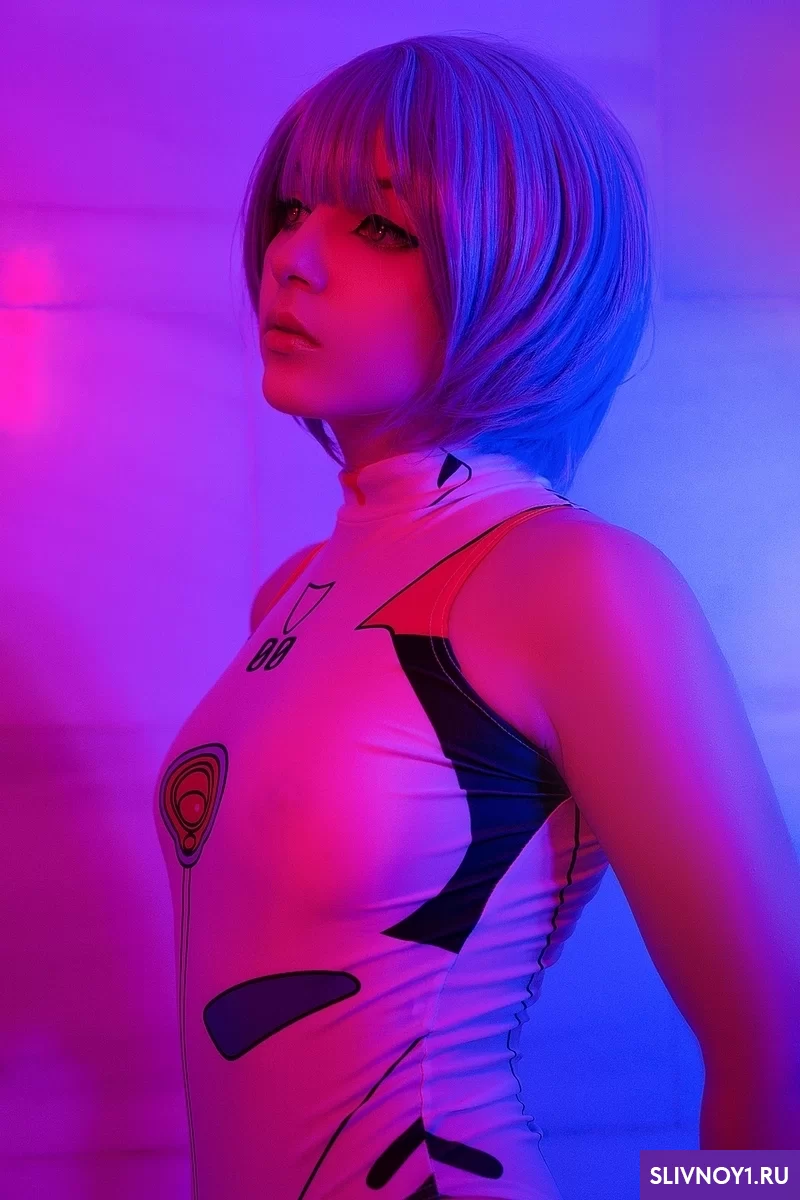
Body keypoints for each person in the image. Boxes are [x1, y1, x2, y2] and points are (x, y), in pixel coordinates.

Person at [154, 32, 800, 1200]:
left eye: (381, 227)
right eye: (291, 209)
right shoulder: (289, 591)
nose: (293, 257)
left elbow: (775, 1038)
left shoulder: (572, 582)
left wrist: (706, 1196)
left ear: (526, 269)